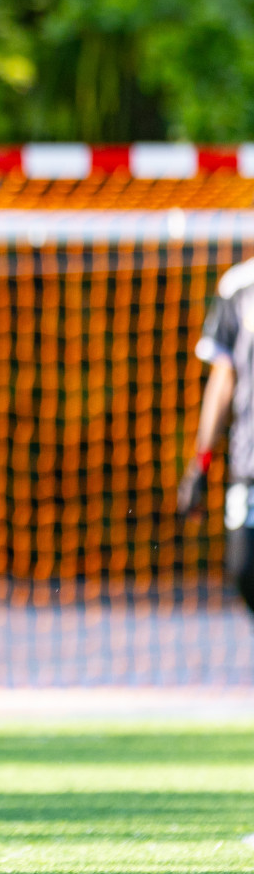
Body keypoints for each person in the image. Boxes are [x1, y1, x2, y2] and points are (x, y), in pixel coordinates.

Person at [178, 256, 254, 616]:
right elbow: (223, 381)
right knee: (243, 569)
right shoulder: (238, 286)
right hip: (248, 462)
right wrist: (200, 463)